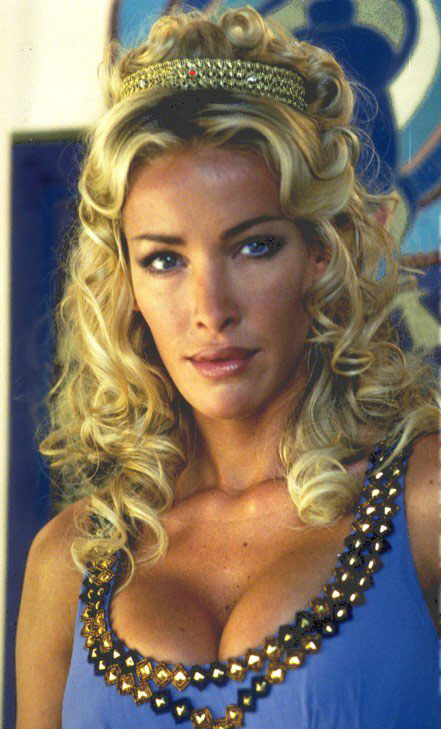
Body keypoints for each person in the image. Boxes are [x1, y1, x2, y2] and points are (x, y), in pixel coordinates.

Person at [15, 4, 441, 729]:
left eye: (253, 247)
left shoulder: (424, 502)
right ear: (124, 280)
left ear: (320, 253)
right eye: (164, 259)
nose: (209, 309)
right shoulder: (71, 557)